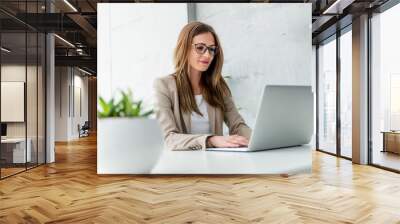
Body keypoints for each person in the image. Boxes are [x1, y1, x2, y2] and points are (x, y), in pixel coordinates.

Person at [153, 21, 251, 150]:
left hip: (215, 162)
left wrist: (257, 139)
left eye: (211, 49)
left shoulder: (218, 86)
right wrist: (211, 140)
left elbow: (237, 125)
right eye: (200, 47)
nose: (207, 55)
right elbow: (169, 138)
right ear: (184, 48)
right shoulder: (164, 86)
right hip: (181, 165)